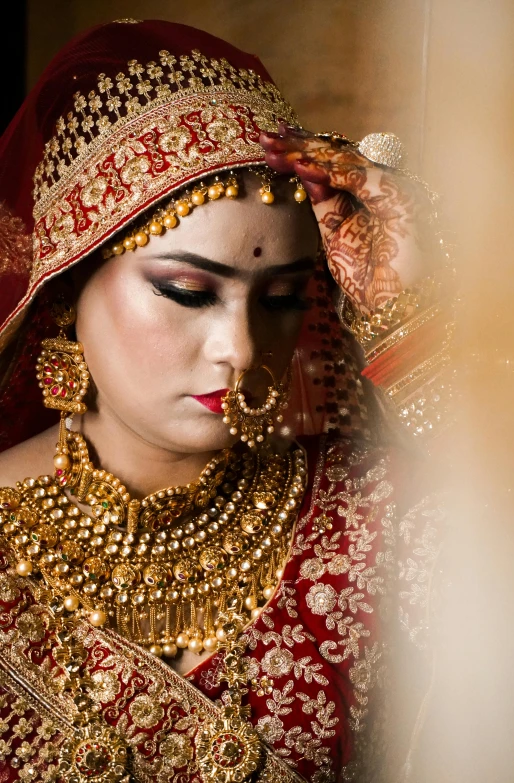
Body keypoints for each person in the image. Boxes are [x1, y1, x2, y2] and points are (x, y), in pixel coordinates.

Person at [0, 18, 452, 783]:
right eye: (185, 291)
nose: (240, 351)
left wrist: (414, 334)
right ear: (69, 287)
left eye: (278, 299)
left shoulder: (380, 521)